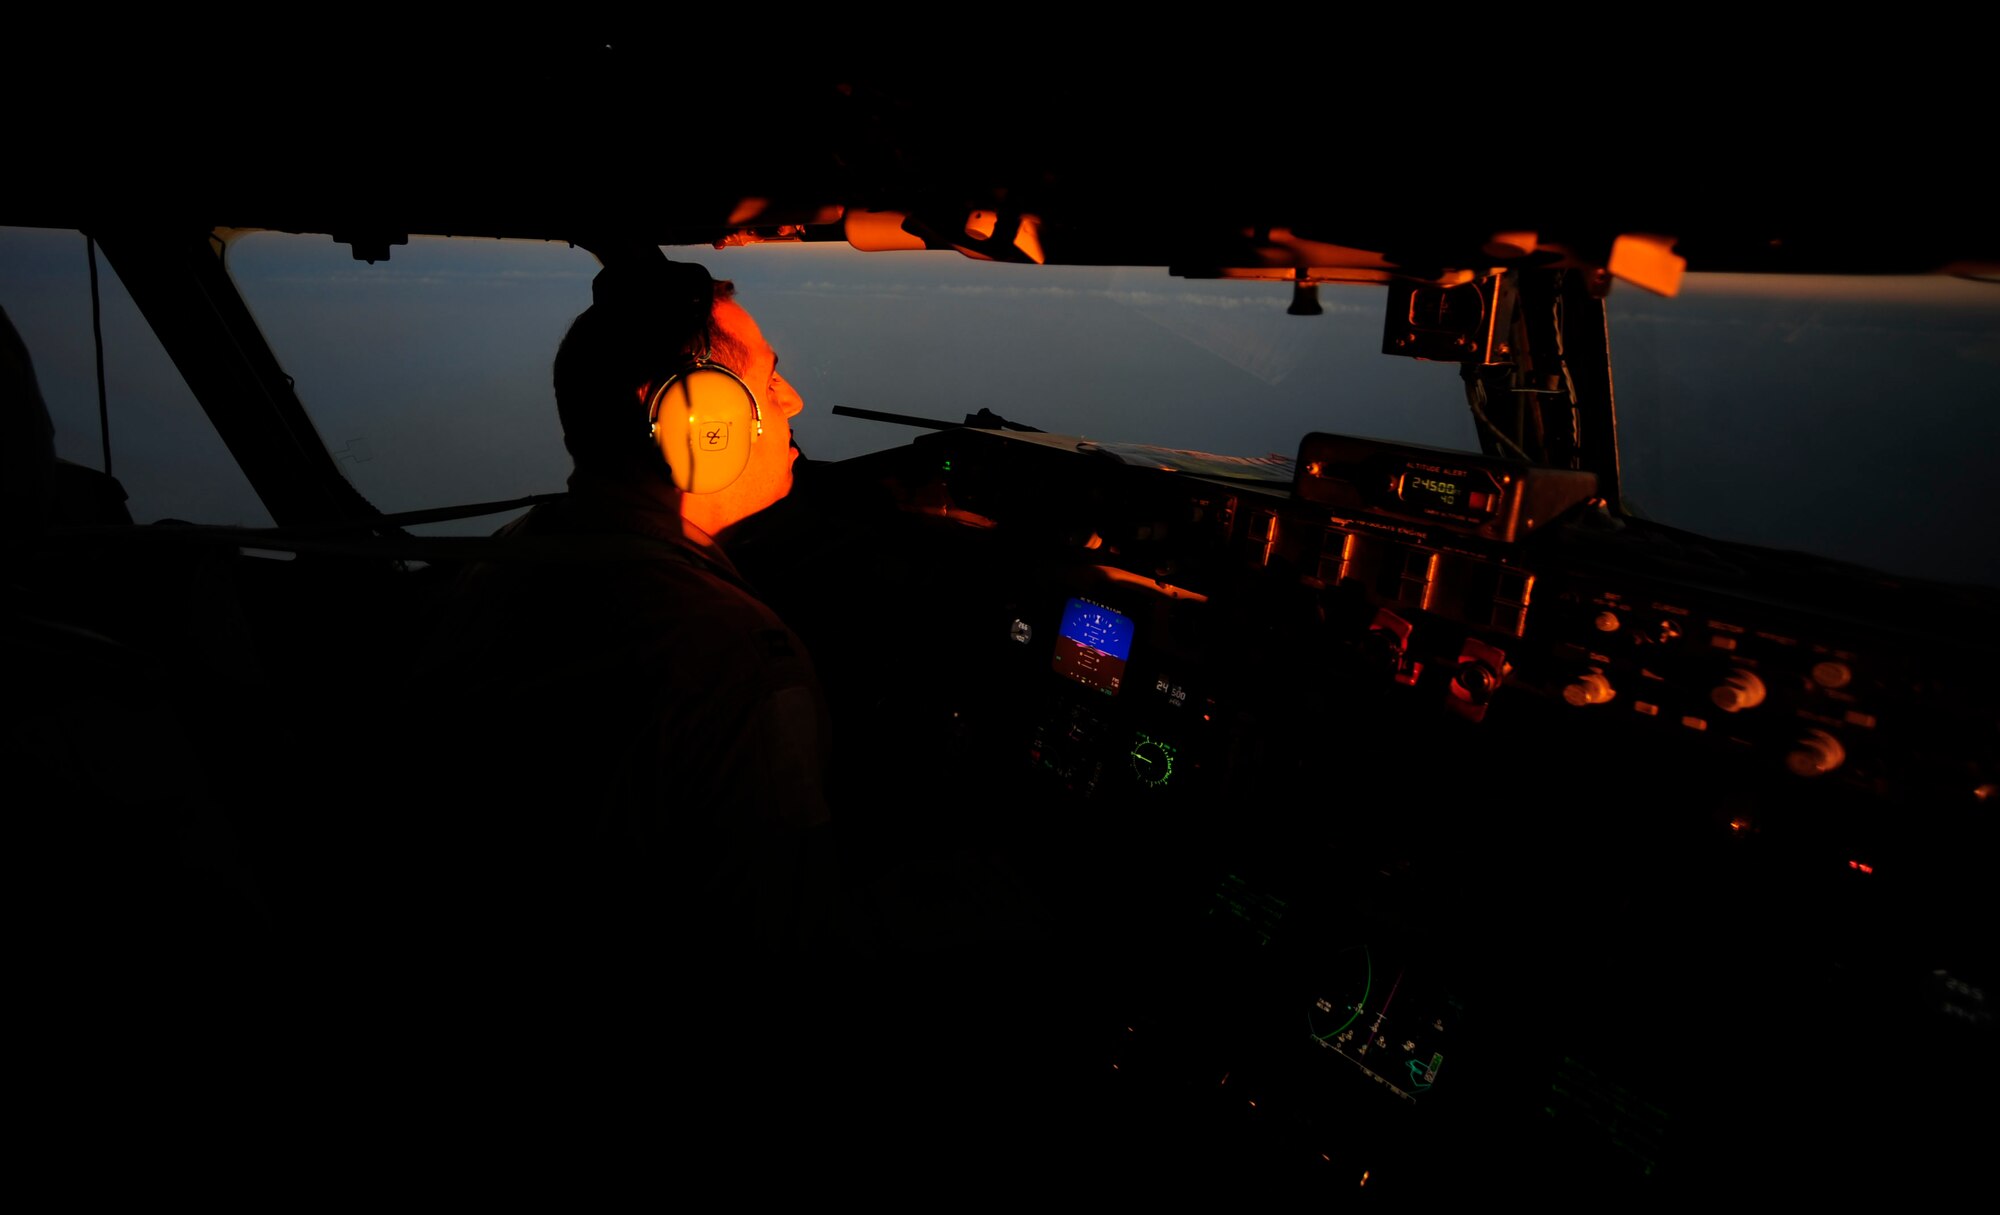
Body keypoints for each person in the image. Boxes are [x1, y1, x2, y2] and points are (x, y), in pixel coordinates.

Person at [416, 249, 833, 968]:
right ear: (695, 417)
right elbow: (779, 947)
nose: (792, 399)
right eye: (769, 377)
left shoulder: (504, 559)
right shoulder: (732, 659)